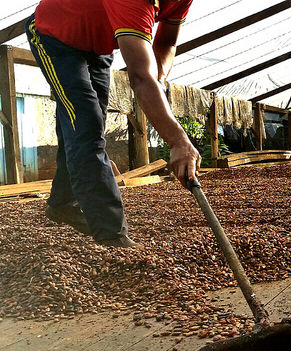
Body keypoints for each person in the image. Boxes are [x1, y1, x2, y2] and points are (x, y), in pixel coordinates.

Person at [26, 0, 201, 248]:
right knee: (86, 125)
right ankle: (111, 234)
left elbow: (167, 43)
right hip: (53, 36)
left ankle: (62, 204)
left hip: (98, 47)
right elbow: (139, 77)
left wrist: (158, 80)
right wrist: (178, 140)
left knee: (85, 124)